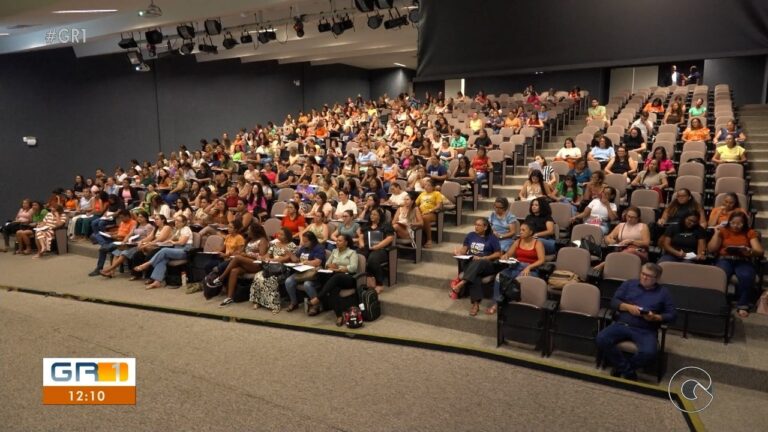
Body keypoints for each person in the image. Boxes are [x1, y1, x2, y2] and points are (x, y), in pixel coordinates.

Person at [596, 263, 676, 380]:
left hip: (646, 329)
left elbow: (672, 315)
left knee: (649, 353)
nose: (644, 277)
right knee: (601, 338)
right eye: (643, 274)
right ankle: (628, 371)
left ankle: (620, 368)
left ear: (657, 278)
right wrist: (628, 307)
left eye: (649, 276)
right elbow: (613, 302)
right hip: (623, 324)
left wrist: (655, 317)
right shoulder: (629, 284)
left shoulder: (663, 293)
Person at [708, 211, 764, 317]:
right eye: (733, 223)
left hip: (743, 259)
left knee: (747, 275)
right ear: (729, 222)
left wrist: (750, 251)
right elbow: (711, 249)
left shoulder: (749, 232)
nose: (736, 226)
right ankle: (718, 302)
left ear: (745, 223)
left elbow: (759, 251)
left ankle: (743, 305)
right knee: (721, 274)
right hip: (725, 259)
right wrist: (716, 233)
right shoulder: (723, 231)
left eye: (739, 223)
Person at [486, 222, 546, 314]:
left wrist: (529, 267)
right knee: (499, 276)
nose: (520, 232)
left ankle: (509, 305)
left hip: (530, 268)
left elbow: (542, 260)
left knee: (515, 281)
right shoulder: (517, 241)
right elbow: (509, 254)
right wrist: (505, 256)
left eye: (523, 230)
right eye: (520, 230)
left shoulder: (538, 243)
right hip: (516, 266)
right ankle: (497, 302)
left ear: (530, 232)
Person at [449, 218, 502, 317]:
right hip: (471, 264)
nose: (476, 227)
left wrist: (485, 257)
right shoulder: (470, 235)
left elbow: (498, 253)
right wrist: (458, 253)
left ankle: (462, 282)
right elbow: (464, 250)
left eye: (479, 225)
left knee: (479, 261)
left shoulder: (492, 238)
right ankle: (475, 304)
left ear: (485, 227)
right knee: (475, 275)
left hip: (486, 265)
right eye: (475, 225)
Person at [132, 214, 194, 289]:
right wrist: (164, 243)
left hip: (184, 251)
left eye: (178, 221)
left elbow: (182, 242)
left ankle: (147, 264)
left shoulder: (186, 229)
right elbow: (170, 240)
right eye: (175, 220)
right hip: (176, 249)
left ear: (184, 222)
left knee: (164, 250)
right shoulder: (177, 230)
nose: (176, 222)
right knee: (162, 260)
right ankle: (157, 282)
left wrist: (173, 242)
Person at [314, 233, 360, 326]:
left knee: (337, 276)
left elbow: (353, 267)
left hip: (348, 278)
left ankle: (319, 297)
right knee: (333, 289)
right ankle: (339, 316)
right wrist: (330, 266)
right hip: (334, 277)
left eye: (340, 241)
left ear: (346, 243)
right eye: (337, 240)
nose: (337, 242)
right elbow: (327, 264)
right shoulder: (334, 251)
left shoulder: (352, 253)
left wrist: (338, 268)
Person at [250, 228, 297, 312]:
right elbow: (267, 255)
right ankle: (258, 301)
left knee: (272, 280)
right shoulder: (275, 244)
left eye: (281, 234)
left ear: (287, 236)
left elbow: (286, 258)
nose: (279, 236)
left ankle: (274, 304)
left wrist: (274, 260)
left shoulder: (292, 245)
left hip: (283, 270)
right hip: (271, 268)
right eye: (278, 234)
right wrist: (262, 257)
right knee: (258, 276)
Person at [98, 211, 155, 278]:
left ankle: (109, 269)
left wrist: (140, 242)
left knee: (124, 253)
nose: (139, 219)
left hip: (139, 244)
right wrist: (124, 242)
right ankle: (111, 272)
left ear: (145, 218)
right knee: (117, 252)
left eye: (141, 217)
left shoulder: (148, 226)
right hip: (131, 242)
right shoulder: (136, 225)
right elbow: (129, 234)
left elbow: (149, 238)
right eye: (138, 217)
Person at [284, 231, 326, 313]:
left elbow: (318, 262)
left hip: (313, 274)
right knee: (288, 281)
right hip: (301, 271)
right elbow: (296, 260)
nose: (304, 243)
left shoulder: (319, 247)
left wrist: (307, 262)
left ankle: (316, 305)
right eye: (303, 241)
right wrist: (290, 254)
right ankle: (294, 302)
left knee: (307, 284)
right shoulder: (303, 248)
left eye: (306, 241)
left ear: (312, 240)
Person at [359, 208, 395, 294]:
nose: (372, 216)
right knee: (357, 257)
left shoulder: (385, 225)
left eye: (375, 214)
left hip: (381, 249)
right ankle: (363, 282)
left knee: (372, 260)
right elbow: (360, 235)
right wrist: (361, 243)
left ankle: (379, 284)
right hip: (367, 248)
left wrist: (378, 246)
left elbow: (390, 238)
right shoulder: (367, 226)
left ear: (380, 216)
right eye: (371, 214)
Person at [415, 179, 444, 248]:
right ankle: (417, 239)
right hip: (421, 213)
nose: (426, 187)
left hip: (432, 214)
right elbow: (415, 204)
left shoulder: (437, 193)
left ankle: (429, 240)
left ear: (433, 187)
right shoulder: (422, 194)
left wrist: (430, 210)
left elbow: (438, 206)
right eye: (425, 185)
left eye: (428, 185)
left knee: (424, 218)